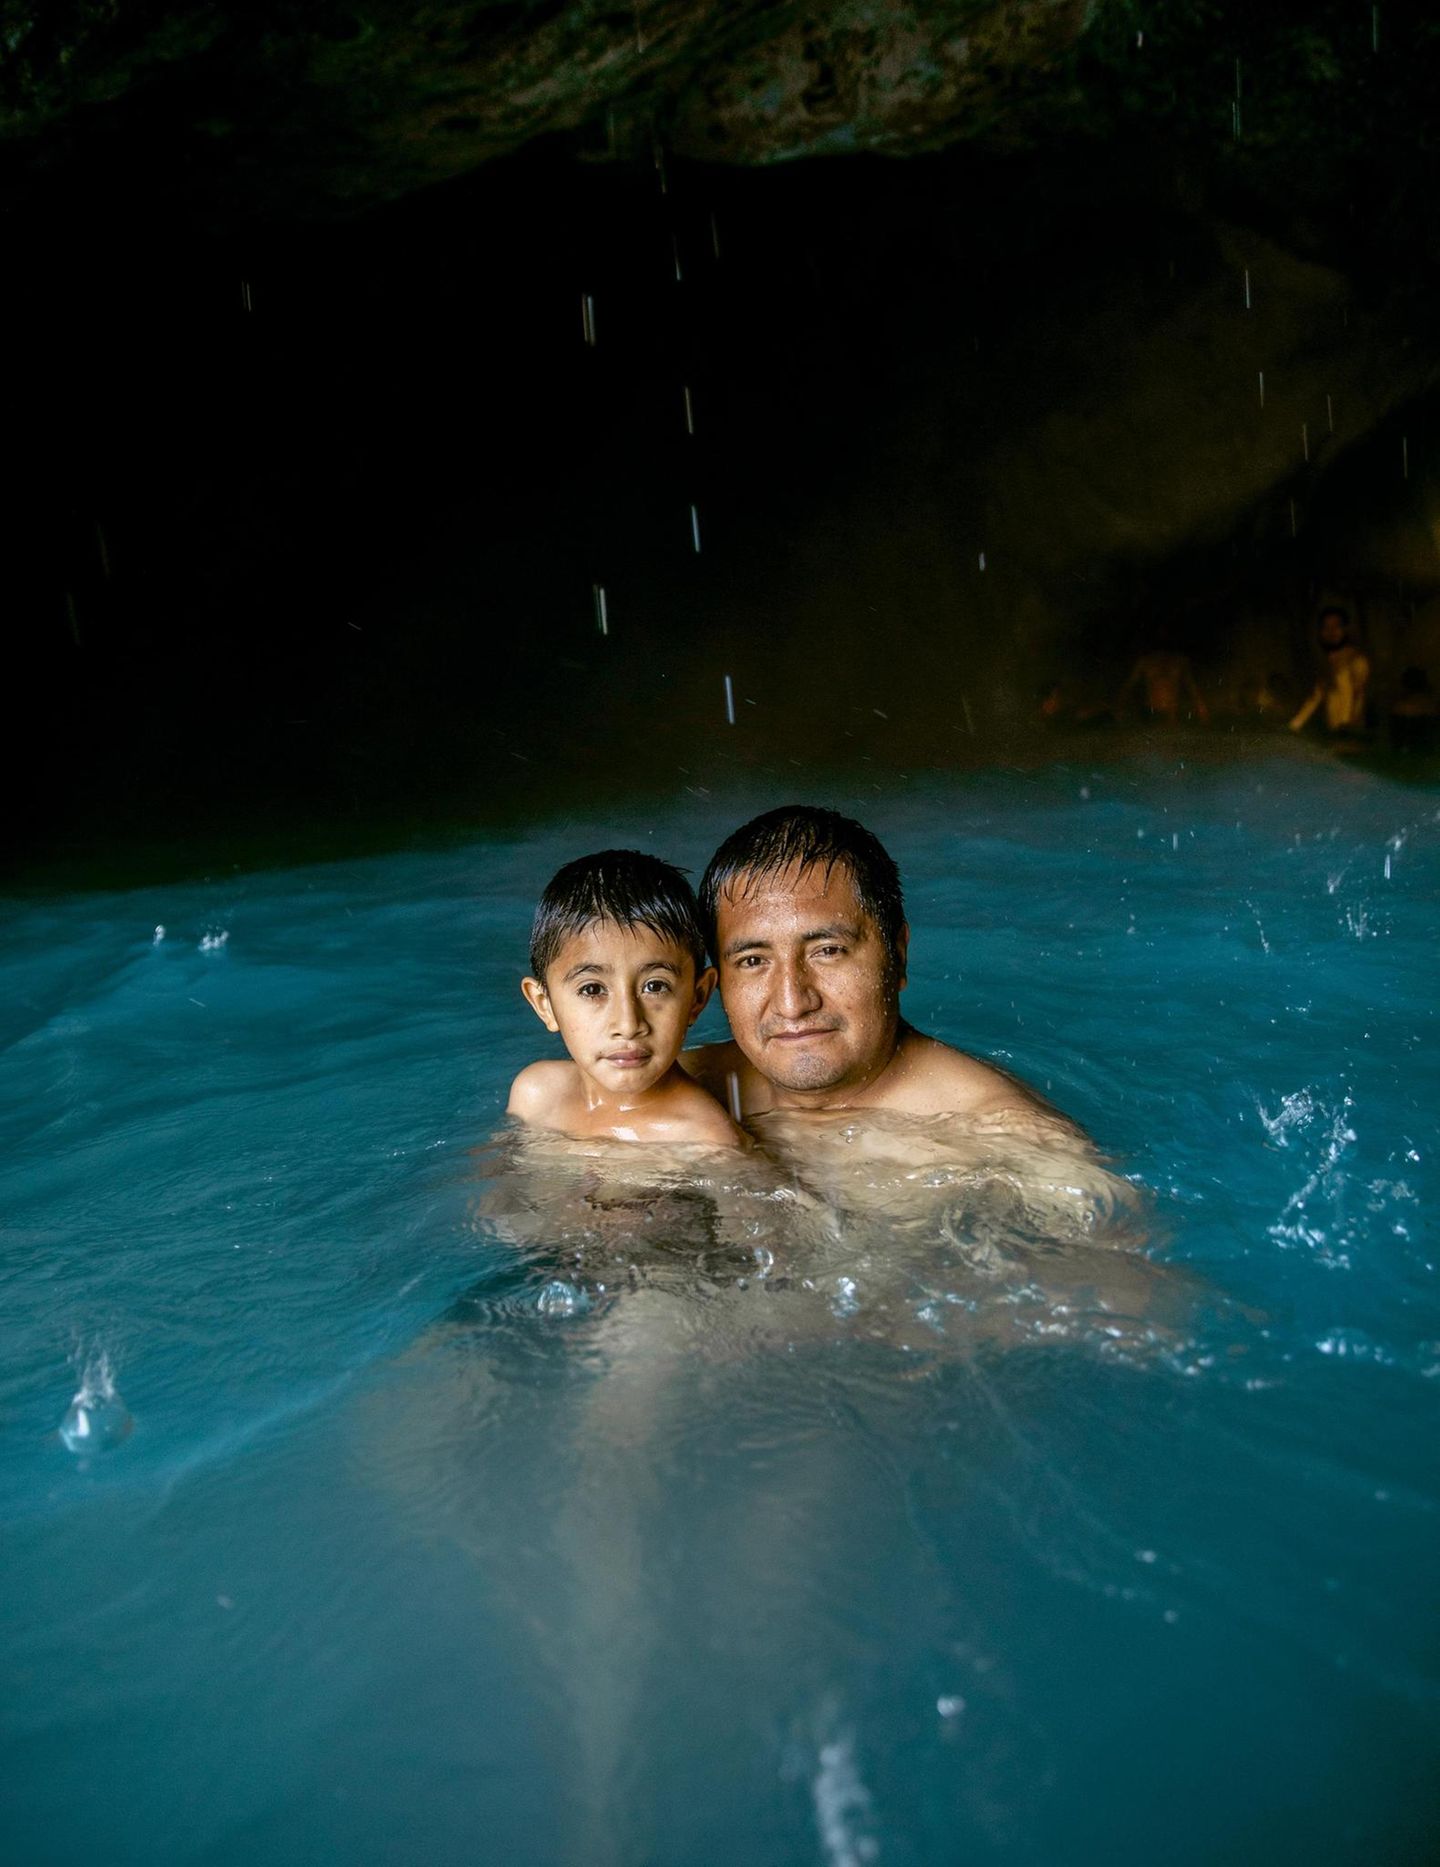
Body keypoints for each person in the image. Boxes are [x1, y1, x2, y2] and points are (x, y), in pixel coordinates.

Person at [681, 805, 1077, 1143]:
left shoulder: (1009, 1142)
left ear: (898, 956)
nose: (792, 1002)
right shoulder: (661, 1092)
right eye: (753, 961)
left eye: (828, 951)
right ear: (715, 983)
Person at [508, 850, 746, 1149]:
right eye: (592, 990)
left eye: (655, 986)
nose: (628, 1023)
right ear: (545, 1005)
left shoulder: (703, 1140)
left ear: (698, 998)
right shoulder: (536, 1096)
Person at [1289, 606, 1370, 736]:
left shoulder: (1357, 659)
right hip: (1335, 731)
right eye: (1326, 627)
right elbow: (1317, 694)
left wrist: (1346, 725)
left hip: (1351, 732)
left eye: (1336, 626)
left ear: (1346, 629)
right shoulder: (1329, 660)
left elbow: (1356, 693)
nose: (1331, 631)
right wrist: (1294, 725)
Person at [1116, 627, 1209, 723]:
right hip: (1151, 712)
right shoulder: (1145, 661)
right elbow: (1129, 685)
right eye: (1160, 635)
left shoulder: (1180, 661)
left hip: (1172, 713)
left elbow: (1191, 686)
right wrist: (1120, 706)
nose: (1163, 638)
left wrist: (1201, 706)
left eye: (1166, 635)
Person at [1389, 665, 1439, 753]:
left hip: (1406, 755)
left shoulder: (1401, 708)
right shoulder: (1431, 707)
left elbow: (1397, 740)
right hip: (1425, 754)